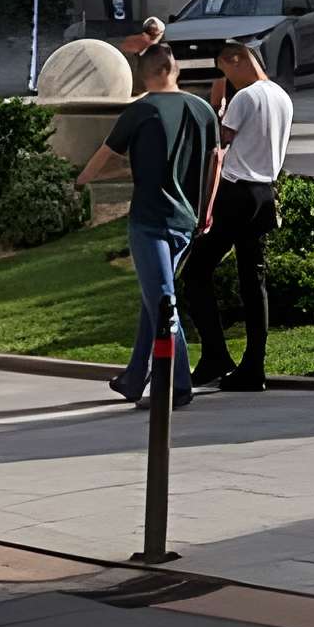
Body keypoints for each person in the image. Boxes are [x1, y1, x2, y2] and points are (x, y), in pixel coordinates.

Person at [81, 41, 218, 409]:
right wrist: (206, 211)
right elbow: (215, 163)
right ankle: (132, 378)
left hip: (150, 220)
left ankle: (177, 385)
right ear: (175, 70)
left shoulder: (140, 111)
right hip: (186, 221)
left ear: (146, 73)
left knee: (161, 304)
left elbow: (103, 156)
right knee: (154, 299)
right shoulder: (204, 110)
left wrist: (80, 180)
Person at [184, 38, 293, 391]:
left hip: (237, 191)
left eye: (224, 69)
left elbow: (219, 144)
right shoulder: (282, 96)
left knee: (196, 273)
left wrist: (216, 104)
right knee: (253, 281)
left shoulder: (245, 97)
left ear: (236, 61)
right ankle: (253, 366)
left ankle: (215, 355)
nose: (224, 76)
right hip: (265, 193)